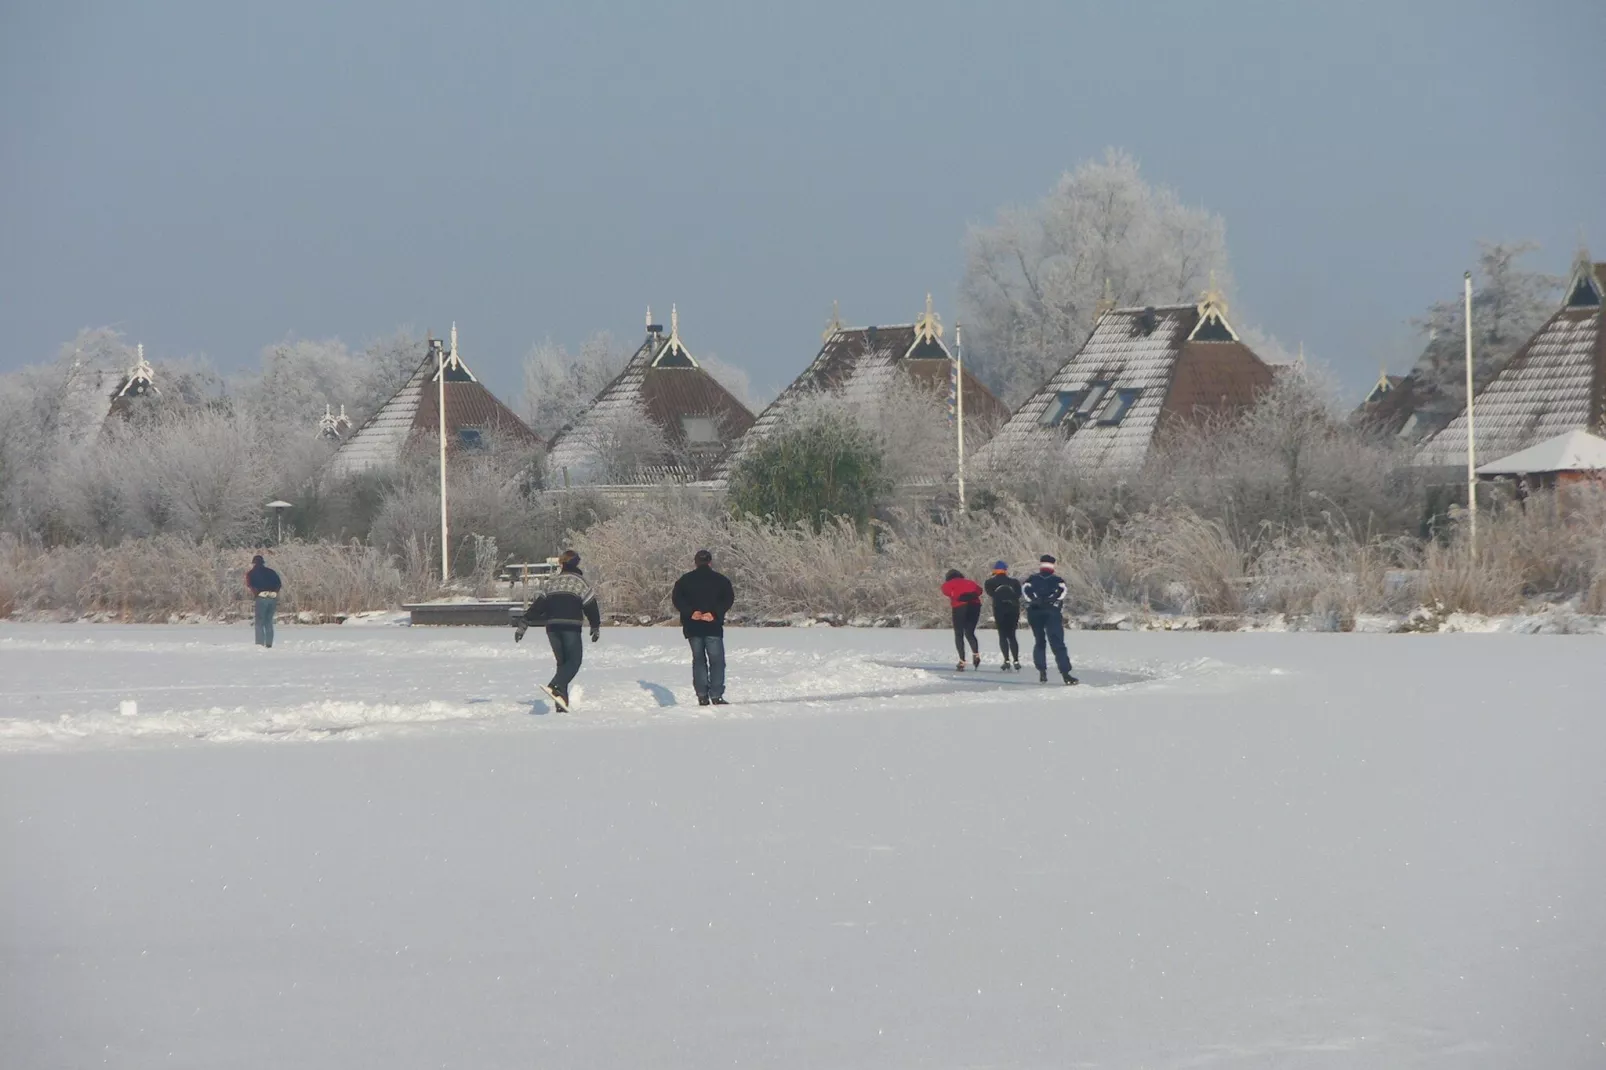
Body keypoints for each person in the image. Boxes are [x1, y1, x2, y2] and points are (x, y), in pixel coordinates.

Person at [514, 549, 600, 711]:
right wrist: (595, 626)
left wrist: (524, 623)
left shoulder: (552, 583)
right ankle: (555, 685)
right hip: (570, 627)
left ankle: (561, 704)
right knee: (574, 662)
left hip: (552, 628)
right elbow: (591, 606)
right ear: (576, 563)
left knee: (563, 666)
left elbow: (538, 606)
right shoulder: (580, 582)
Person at [671, 548, 736, 706]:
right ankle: (716, 695)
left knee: (699, 660)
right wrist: (714, 613)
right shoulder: (721, 580)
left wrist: (691, 612)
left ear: (695, 562)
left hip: (693, 627)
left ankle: (702, 695)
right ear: (710, 562)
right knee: (717, 661)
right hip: (712, 626)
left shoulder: (685, 580)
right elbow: (728, 599)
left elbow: (677, 599)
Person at [1022, 554, 1077, 685]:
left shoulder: (1031, 579)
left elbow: (1026, 592)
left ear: (1041, 565)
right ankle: (1065, 674)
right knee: (1057, 643)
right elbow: (1061, 593)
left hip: (1034, 612)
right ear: (1052, 566)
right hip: (1052, 612)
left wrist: (1036, 600)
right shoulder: (1058, 580)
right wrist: (1050, 600)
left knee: (1040, 641)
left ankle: (1042, 671)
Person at [940, 568, 984, 671]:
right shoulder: (970, 582)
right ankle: (976, 654)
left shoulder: (948, 584)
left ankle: (962, 661)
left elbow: (946, 591)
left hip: (959, 607)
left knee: (959, 633)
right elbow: (980, 590)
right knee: (969, 632)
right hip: (975, 606)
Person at [983, 561, 1023, 671]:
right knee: (1012, 635)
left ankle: (1006, 660)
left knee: (1002, 635)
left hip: (999, 609)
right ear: (1006, 570)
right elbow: (1019, 594)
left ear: (995, 570)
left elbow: (991, 593)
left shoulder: (989, 582)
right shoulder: (1014, 582)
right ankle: (1016, 660)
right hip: (1013, 609)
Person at [244, 554, 282, 648]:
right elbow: (279, 583)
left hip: (261, 596)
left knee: (259, 622)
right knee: (268, 621)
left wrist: (256, 593)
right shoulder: (271, 572)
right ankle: (269, 644)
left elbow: (250, 584)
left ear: (254, 563)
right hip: (273, 596)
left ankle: (260, 644)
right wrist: (275, 592)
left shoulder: (251, 573)